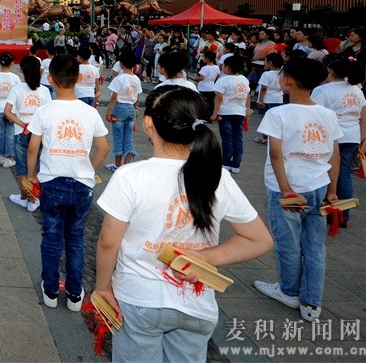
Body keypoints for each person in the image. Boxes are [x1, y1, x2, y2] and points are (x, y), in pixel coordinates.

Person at [95, 87, 273, 361]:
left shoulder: (130, 176)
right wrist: (203, 257)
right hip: (196, 303)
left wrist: (103, 287)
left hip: (140, 299)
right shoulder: (219, 177)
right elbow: (259, 239)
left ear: (148, 123)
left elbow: (109, 241)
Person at [254, 58, 341, 322]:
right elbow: (334, 155)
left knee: (288, 243)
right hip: (319, 185)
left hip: (287, 189)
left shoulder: (278, 114)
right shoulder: (327, 114)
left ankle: (289, 291)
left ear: (288, 81)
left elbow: (277, 155)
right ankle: (311, 302)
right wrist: (333, 190)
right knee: (315, 246)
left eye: (282, 75)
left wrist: (286, 190)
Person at [27, 55, 110, 310]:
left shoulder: (45, 111)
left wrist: (31, 176)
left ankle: (50, 290)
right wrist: (87, 169)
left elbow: (33, 148)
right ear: (78, 78)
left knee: (51, 237)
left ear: (50, 79)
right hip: (81, 185)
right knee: (75, 238)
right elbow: (103, 148)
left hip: (52, 183)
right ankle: (75, 294)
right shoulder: (90, 112)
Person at [310, 57, 366, 226]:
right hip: (352, 136)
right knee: (344, 174)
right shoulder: (356, 90)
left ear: (330, 71)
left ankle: (337, 212)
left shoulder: (323, 91)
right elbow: (365, 116)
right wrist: (363, 139)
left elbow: (314, 114)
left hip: (332, 137)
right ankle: (342, 212)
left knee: (330, 173)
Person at [4, 56, 52, 210]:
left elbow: (7, 112)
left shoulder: (17, 89)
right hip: (40, 136)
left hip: (21, 133)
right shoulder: (45, 90)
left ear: (22, 70)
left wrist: (22, 123)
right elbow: (49, 114)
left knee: (22, 168)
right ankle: (34, 198)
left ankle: (26, 197)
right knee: (37, 166)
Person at [211, 55, 250, 174]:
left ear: (227, 67)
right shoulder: (244, 79)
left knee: (227, 139)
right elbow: (248, 96)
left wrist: (214, 113)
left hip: (225, 112)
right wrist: (247, 111)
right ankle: (236, 164)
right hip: (240, 112)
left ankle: (226, 163)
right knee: (238, 139)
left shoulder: (223, 80)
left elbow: (219, 97)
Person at [105, 52, 142, 172]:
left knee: (118, 137)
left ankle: (117, 165)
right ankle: (127, 165)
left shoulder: (119, 78)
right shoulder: (136, 79)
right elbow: (137, 96)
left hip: (119, 108)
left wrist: (108, 111)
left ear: (121, 64)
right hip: (131, 108)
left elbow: (114, 97)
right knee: (128, 137)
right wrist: (136, 108)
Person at [0, 52, 20, 168]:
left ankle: (0, 155)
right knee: (10, 133)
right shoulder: (15, 78)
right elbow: (18, 94)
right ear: (12, 63)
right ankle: (8, 157)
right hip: (11, 110)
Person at [254, 53, 285, 144]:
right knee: (276, 121)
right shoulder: (282, 73)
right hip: (279, 99)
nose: (264, 63)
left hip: (267, 100)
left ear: (270, 62)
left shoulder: (267, 74)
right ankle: (275, 138)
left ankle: (265, 138)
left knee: (266, 120)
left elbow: (264, 88)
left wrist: (260, 100)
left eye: (265, 61)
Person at [195, 51, 220, 115]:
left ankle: (204, 116)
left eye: (203, 57)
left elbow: (202, 78)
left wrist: (196, 78)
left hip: (203, 88)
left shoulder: (204, 68)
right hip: (212, 87)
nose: (203, 58)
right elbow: (217, 76)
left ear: (207, 59)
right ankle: (210, 116)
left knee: (203, 103)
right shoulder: (216, 67)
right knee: (211, 103)